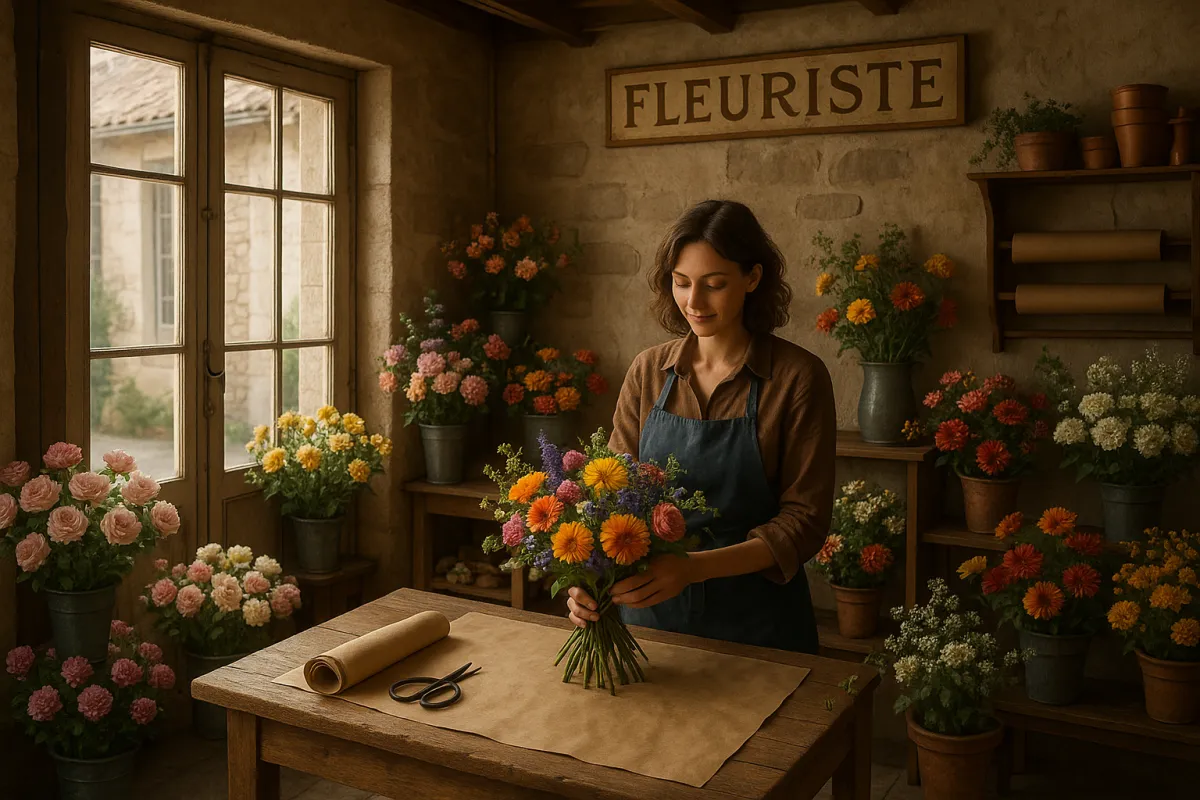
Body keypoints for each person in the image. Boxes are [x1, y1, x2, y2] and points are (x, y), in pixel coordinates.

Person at [566, 199, 837, 653]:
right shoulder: (648, 372)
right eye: (681, 282)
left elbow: (805, 521)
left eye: (714, 285)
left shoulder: (797, 378)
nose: (694, 302)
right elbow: (609, 494)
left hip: (758, 627)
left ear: (753, 278)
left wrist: (693, 568)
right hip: (648, 622)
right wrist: (588, 579)